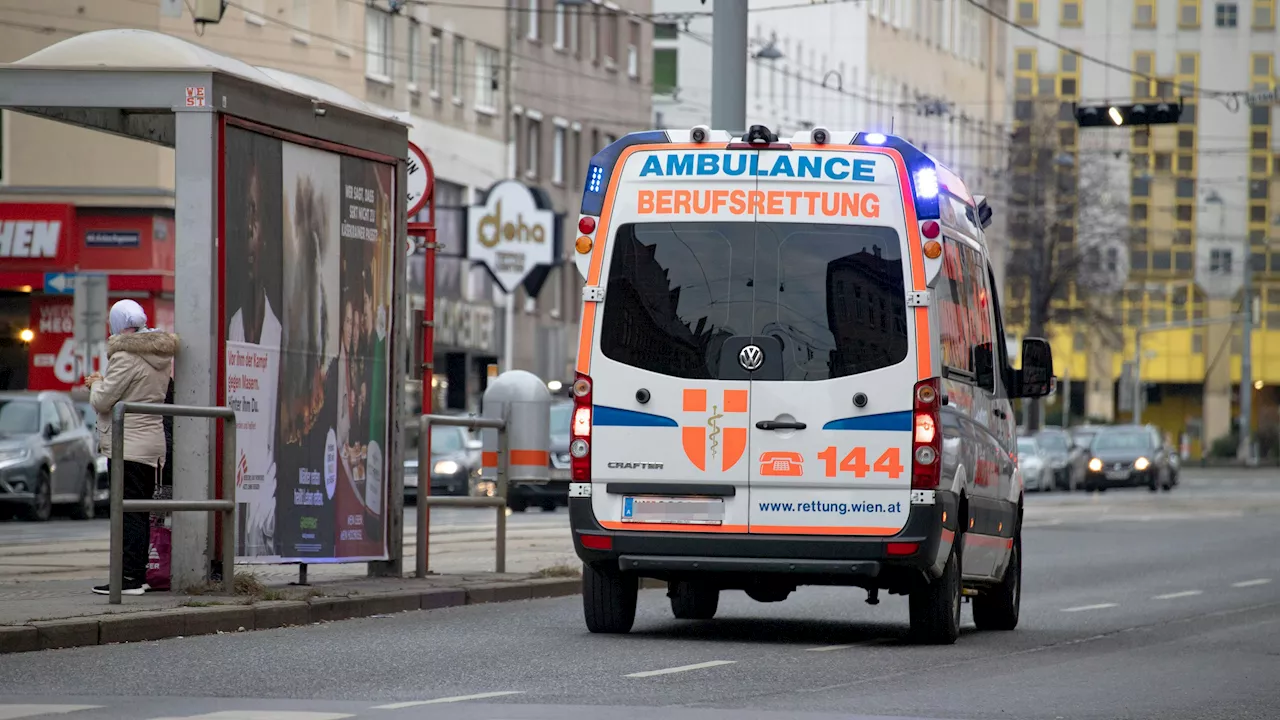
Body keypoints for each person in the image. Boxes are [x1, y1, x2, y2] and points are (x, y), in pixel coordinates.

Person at [86, 300, 179, 595]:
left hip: (127, 444)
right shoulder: (160, 355)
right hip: (151, 443)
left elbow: (104, 401)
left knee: (127, 513)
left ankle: (129, 579)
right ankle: (135, 577)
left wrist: (96, 384)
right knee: (137, 511)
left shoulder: (126, 356)